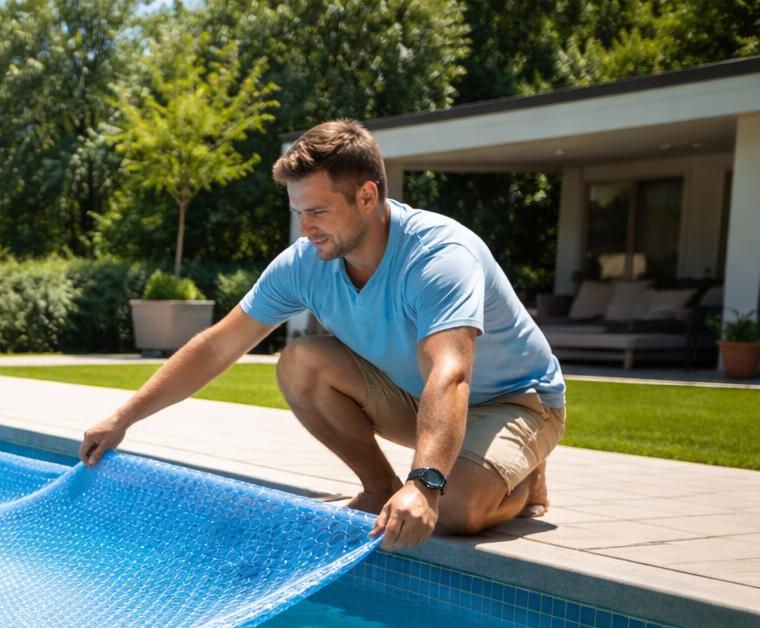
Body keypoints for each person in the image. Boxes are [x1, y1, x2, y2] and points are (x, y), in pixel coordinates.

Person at [79, 119, 566, 549]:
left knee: (453, 509)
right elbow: (220, 345)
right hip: (419, 396)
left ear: (367, 196)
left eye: (318, 211)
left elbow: (452, 372)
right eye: (299, 213)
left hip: (515, 401)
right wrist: (123, 418)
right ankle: (378, 488)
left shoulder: (438, 256)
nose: (306, 228)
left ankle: (524, 481)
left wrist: (423, 484)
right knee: (300, 362)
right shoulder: (307, 263)